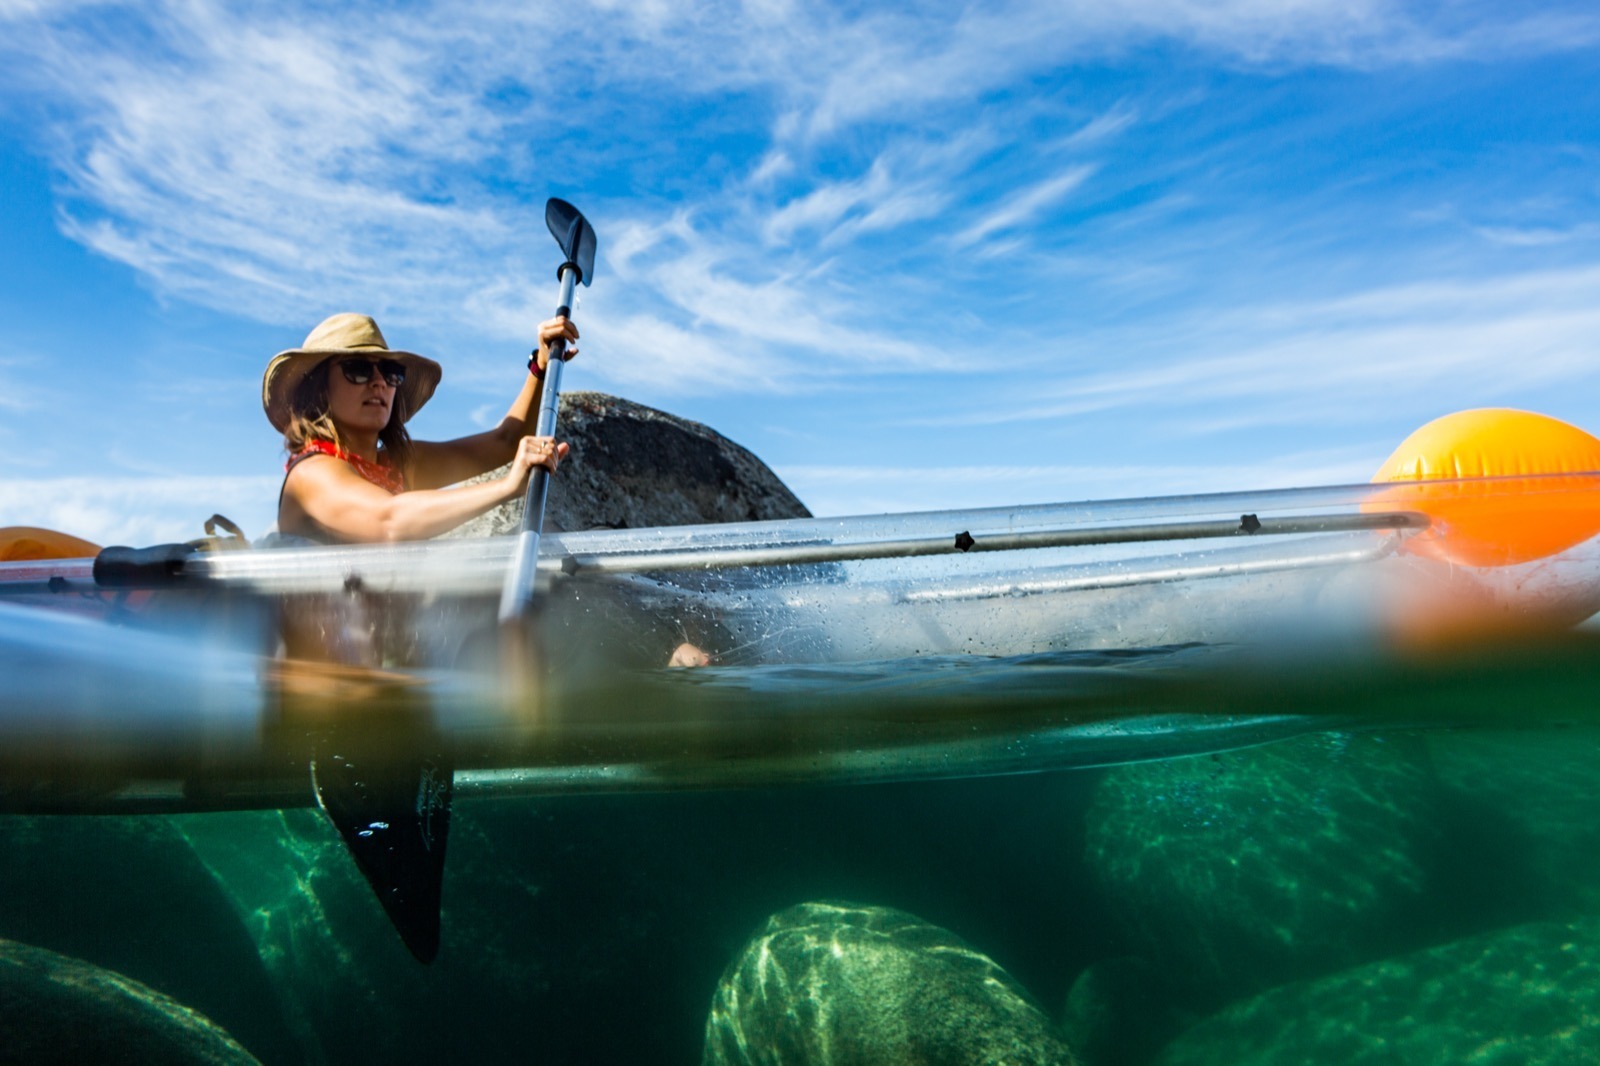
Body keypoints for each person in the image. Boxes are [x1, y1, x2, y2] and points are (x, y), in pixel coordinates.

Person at [263, 311, 576, 543]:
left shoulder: (398, 466)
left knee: (546, 538)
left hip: (391, 630)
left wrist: (541, 366)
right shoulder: (311, 475)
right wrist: (508, 487)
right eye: (357, 369)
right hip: (323, 634)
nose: (378, 382)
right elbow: (390, 520)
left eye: (390, 372)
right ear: (320, 390)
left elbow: (506, 441)